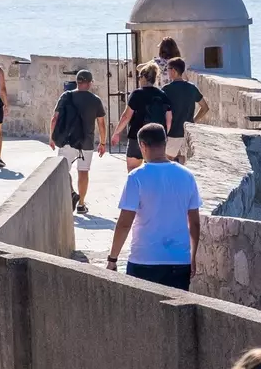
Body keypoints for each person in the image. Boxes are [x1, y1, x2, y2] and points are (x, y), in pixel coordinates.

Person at [107, 124, 200, 291]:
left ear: (142, 146)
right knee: (176, 316)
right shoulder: (187, 176)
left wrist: (112, 259)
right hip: (179, 261)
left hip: (144, 260)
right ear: (165, 143)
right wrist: (192, 257)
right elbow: (194, 223)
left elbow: (124, 224)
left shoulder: (136, 177)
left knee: (140, 315)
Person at [49, 69, 107, 215]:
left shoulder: (66, 96)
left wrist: (51, 137)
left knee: (62, 170)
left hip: (68, 140)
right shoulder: (95, 100)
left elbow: (54, 118)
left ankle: (72, 193)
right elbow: (101, 123)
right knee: (83, 172)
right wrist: (102, 143)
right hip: (86, 142)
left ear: (77, 82)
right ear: (90, 83)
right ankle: (81, 204)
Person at [113, 62, 172, 172]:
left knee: (133, 169)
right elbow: (169, 119)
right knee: (154, 169)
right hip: (157, 138)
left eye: (140, 76)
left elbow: (126, 116)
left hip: (138, 136)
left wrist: (117, 133)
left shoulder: (137, 94)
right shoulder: (162, 95)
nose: (139, 79)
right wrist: (164, 134)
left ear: (144, 77)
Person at [162, 58, 208, 164]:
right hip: (187, 132)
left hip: (172, 133)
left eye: (168, 69)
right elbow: (205, 107)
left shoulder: (166, 89)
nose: (167, 72)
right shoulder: (192, 88)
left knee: (166, 161)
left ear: (173, 70)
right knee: (184, 161)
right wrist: (192, 121)